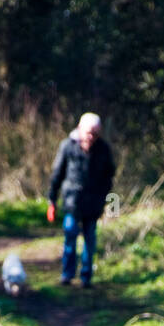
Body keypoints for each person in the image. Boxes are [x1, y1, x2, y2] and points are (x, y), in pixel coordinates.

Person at [47, 112, 115, 288]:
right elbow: (57, 174)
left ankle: (86, 277)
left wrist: (105, 199)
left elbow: (109, 177)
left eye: (95, 133)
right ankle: (67, 275)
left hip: (93, 205)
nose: (91, 137)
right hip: (72, 202)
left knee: (89, 240)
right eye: (88, 132)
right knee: (70, 235)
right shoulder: (67, 146)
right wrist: (51, 201)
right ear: (80, 129)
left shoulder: (103, 150)